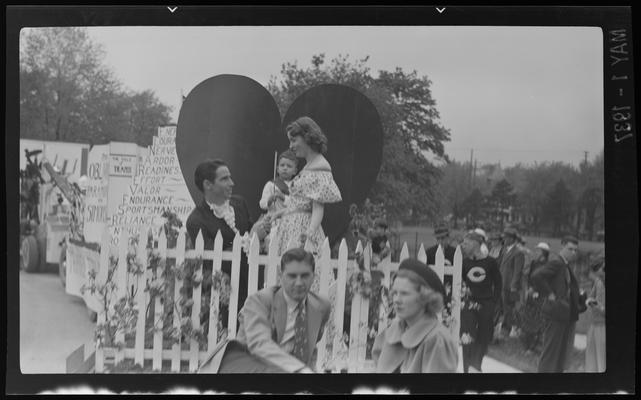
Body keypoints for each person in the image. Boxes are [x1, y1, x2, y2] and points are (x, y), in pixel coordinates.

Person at [198, 248, 331, 373]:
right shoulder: (259, 302)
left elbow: (309, 345)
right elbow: (259, 346)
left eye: (305, 276)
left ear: (314, 276)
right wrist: (299, 370)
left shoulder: (320, 306)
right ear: (281, 276)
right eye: (292, 276)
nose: (299, 283)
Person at [186, 159, 271, 312]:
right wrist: (251, 238)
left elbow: (254, 234)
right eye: (224, 179)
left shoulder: (240, 204)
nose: (231, 183)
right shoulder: (196, 220)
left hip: (253, 287)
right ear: (208, 184)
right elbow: (214, 262)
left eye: (230, 177)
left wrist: (264, 229)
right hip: (225, 299)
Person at [372, 258, 458, 373]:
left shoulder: (437, 340)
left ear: (425, 298)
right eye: (395, 293)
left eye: (404, 293)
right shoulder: (394, 330)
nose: (396, 300)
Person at [274, 116, 342, 258]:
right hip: (290, 227)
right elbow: (300, 204)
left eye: (293, 140)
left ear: (307, 137)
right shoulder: (309, 167)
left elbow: (318, 207)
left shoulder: (320, 168)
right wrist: (278, 214)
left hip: (302, 230)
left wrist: (310, 232)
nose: (290, 146)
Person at [530, 236, 587, 372]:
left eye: (575, 250)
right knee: (551, 352)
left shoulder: (565, 264)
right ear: (562, 246)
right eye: (570, 249)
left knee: (560, 353)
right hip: (555, 313)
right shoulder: (557, 262)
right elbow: (537, 276)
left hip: (563, 313)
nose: (573, 252)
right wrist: (550, 294)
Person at [459, 231, 502, 373]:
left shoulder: (490, 262)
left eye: (466, 243)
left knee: (483, 336)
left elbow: (498, 283)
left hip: (486, 304)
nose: (463, 246)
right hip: (468, 304)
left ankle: (476, 366)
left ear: (475, 243)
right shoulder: (464, 262)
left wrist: (494, 302)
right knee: (467, 336)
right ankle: (467, 369)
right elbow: (459, 282)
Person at [519, 242, 550, 354]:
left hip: (540, 296)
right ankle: (527, 345)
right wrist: (529, 288)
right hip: (531, 294)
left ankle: (534, 346)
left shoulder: (548, 265)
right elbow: (530, 277)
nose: (536, 252)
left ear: (544, 253)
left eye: (538, 251)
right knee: (528, 319)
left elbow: (546, 281)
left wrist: (536, 289)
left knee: (538, 320)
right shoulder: (534, 263)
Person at [497, 227, 525, 339]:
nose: (504, 239)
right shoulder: (504, 250)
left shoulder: (518, 252)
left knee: (510, 307)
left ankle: (510, 329)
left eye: (507, 237)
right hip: (502, 282)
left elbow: (518, 271)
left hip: (510, 285)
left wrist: (514, 285)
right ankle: (507, 327)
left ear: (512, 239)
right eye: (504, 237)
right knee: (503, 306)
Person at [585, 257, 605, 373]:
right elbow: (591, 297)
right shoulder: (598, 281)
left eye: (601, 275)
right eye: (598, 275)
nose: (600, 278)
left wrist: (601, 308)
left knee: (602, 361)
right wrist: (589, 301)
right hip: (593, 324)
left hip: (603, 327)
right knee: (591, 360)